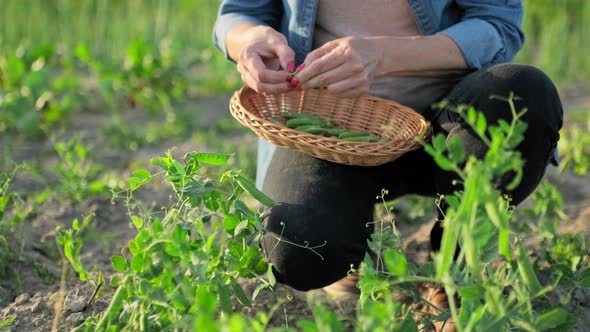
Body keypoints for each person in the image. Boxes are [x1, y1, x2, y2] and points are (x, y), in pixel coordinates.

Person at [213, 0, 563, 325]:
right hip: (330, 130)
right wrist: (248, 40)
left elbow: (498, 26)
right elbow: (239, 13)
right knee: (299, 251)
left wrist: (385, 54)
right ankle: (353, 242)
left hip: (450, 127)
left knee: (521, 91)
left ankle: (456, 271)